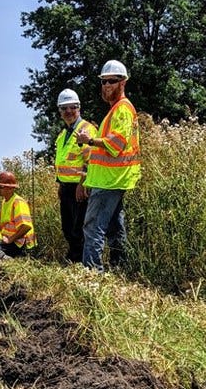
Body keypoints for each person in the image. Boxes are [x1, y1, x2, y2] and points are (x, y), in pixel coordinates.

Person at [75, 60, 141, 271]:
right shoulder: (116, 110)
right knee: (114, 227)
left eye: (111, 81)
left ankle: (92, 273)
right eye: (103, 81)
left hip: (110, 180)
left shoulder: (121, 109)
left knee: (93, 227)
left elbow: (116, 144)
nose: (106, 86)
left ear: (123, 83)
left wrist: (90, 141)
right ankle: (120, 267)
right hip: (112, 178)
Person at [54, 88, 98, 262]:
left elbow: (90, 160)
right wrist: (60, 184)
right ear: (60, 112)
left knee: (78, 228)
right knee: (67, 227)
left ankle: (79, 261)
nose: (68, 112)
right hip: (66, 187)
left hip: (79, 187)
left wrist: (82, 184)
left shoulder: (86, 129)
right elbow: (63, 162)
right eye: (64, 109)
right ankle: (74, 258)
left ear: (79, 107)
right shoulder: (63, 134)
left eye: (72, 107)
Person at [0, 171, 37, 257]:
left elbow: (26, 226)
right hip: (10, 240)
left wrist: (10, 239)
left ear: (10, 188)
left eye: (0, 186)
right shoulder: (4, 202)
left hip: (20, 243)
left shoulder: (18, 202)